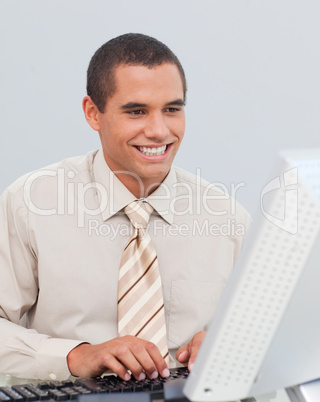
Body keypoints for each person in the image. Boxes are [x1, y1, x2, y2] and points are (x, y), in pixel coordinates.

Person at [0, 33, 250, 382]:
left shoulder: (228, 219)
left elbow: (264, 335)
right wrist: (76, 355)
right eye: (136, 111)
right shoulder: (30, 204)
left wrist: (231, 345)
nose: (159, 130)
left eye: (172, 110)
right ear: (93, 113)